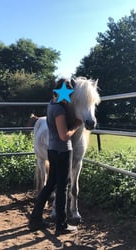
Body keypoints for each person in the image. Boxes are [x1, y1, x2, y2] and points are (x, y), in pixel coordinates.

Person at [29, 79, 82, 234]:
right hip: (62, 151)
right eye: (69, 95)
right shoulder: (59, 110)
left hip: (53, 150)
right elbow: (64, 136)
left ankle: (36, 218)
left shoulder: (52, 104)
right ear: (64, 94)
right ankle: (61, 225)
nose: (70, 99)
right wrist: (77, 125)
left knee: (50, 184)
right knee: (62, 187)